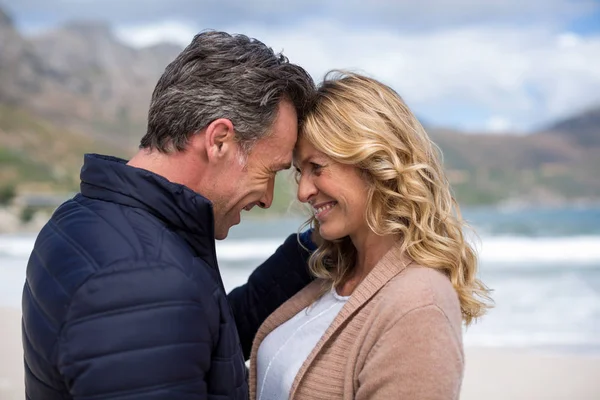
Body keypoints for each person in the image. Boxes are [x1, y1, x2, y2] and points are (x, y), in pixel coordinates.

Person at [22, 31, 317, 400]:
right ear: (219, 140)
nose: (269, 198)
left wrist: (311, 248)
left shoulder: (89, 217)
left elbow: (199, 339)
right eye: (271, 171)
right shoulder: (141, 279)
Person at [249, 72, 493, 400]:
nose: (304, 191)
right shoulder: (326, 272)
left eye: (317, 167)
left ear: (373, 163)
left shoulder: (419, 305)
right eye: (299, 172)